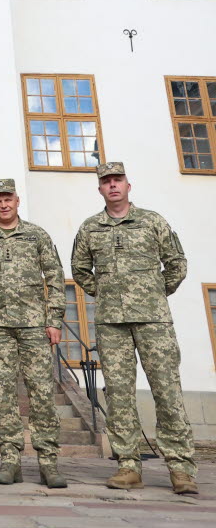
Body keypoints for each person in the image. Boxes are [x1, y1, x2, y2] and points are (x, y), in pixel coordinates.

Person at [71, 161, 197, 495]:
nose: (113, 186)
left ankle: (181, 469)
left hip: (154, 320)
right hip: (112, 323)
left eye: (118, 180)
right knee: (119, 394)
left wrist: (155, 292)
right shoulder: (89, 228)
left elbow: (176, 263)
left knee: (167, 391)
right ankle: (128, 464)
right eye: (106, 182)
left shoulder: (152, 221)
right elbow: (80, 269)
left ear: (129, 185)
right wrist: (108, 292)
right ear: (100, 189)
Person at [0, 178, 67, 487]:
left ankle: (48, 461)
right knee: (4, 395)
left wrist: (55, 320)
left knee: (42, 393)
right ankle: (10, 459)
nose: (4, 204)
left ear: (17, 201)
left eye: (8, 198)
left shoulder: (37, 236)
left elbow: (55, 278)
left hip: (35, 327)